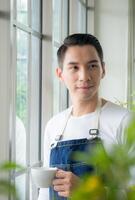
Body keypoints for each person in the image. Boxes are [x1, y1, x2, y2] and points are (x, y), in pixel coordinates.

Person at [38, 33, 130, 200]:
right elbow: (45, 193)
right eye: (74, 67)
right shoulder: (54, 126)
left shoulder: (125, 121)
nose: (84, 76)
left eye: (92, 66)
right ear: (60, 74)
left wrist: (90, 192)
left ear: (103, 70)